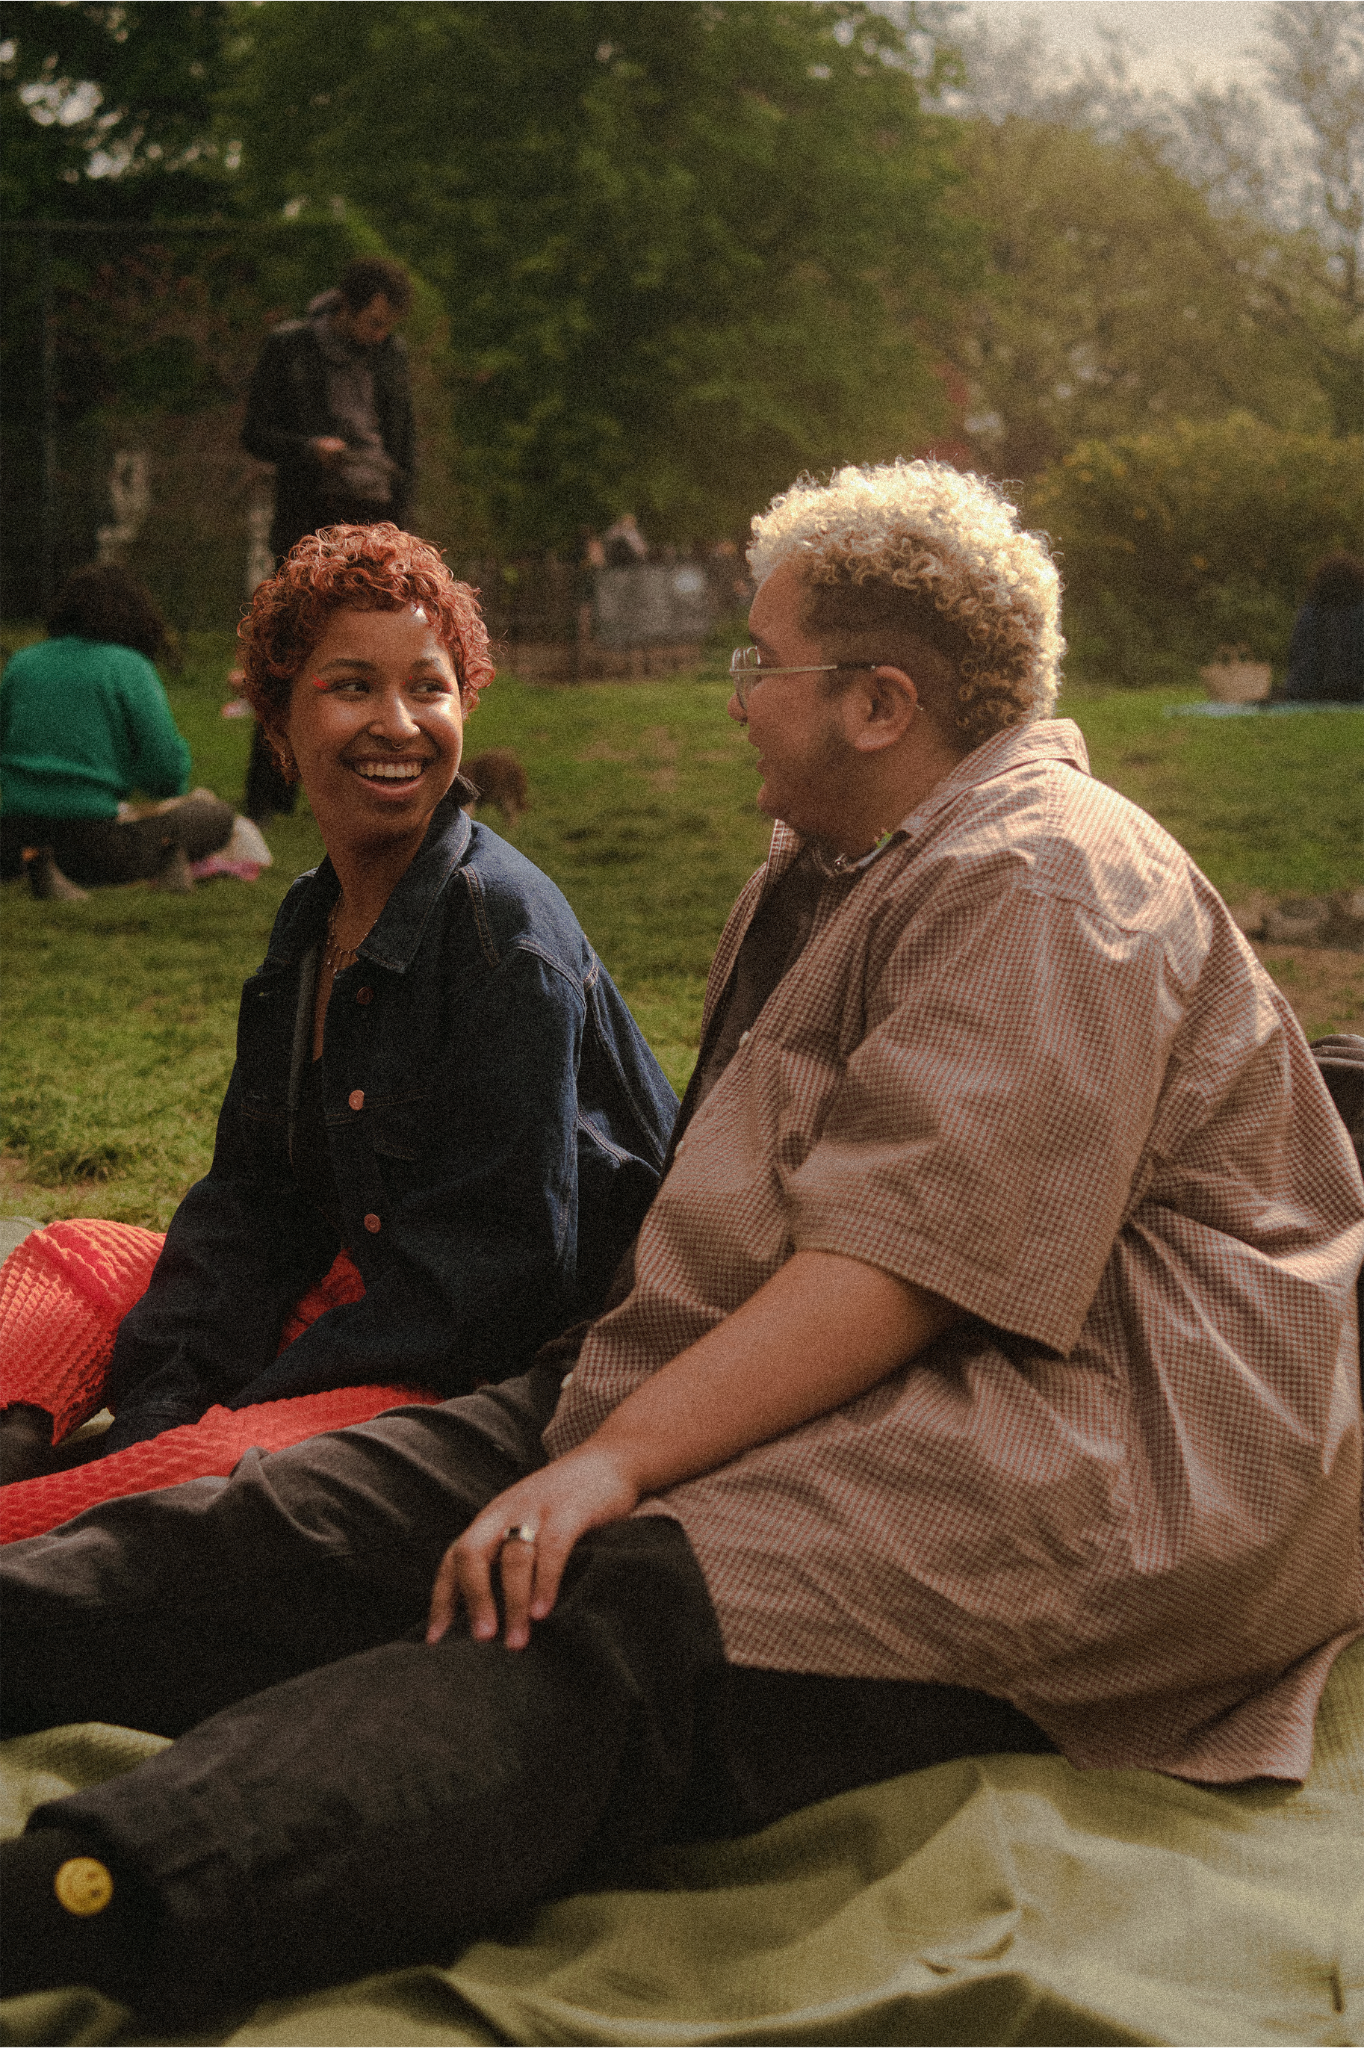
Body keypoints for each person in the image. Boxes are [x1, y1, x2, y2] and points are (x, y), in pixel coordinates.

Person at [3, 461, 1361, 2021]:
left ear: (879, 702)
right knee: (309, 1523)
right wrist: (569, 1430)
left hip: (1095, 1445)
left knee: (597, 1619)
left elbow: (901, 1272)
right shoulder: (834, 864)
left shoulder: (1053, 878)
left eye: (757, 663)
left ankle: (80, 1896)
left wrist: (611, 1464)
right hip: (785, 1355)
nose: (735, 700)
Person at [0, 522, 676, 1493]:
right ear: (278, 723)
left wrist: (226, 1410)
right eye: (352, 685)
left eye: (427, 687)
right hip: (350, 1290)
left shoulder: (501, 932)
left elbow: (483, 1291)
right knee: (73, 1258)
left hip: (472, 1370)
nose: (396, 723)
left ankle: (74, 1507)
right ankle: (37, 1454)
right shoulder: (307, 921)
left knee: (203, 1469)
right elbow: (246, 1205)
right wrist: (162, 1393)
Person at [239, 254, 417, 822]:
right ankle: (269, 796)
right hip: (308, 519)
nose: (379, 335)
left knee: (367, 658)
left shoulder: (390, 357)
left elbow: (404, 445)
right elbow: (255, 434)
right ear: (345, 306)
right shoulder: (289, 347)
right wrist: (309, 448)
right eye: (373, 322)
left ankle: (353, 791)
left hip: (374, 516)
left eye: (388, 327)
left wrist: (403, 536)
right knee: (289, 654)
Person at [0, 565, 234, 897]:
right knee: (216, 815)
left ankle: (40, 866)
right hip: (96, 844)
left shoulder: (22, 662)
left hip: (12, 837)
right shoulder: (128, 666)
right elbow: (165, 774)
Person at [1281, 553, 1364, 703]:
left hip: (1309, 692)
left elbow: (1299, 654)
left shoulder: (1310, 612)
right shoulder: (1359, 612)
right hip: (1355, 691)